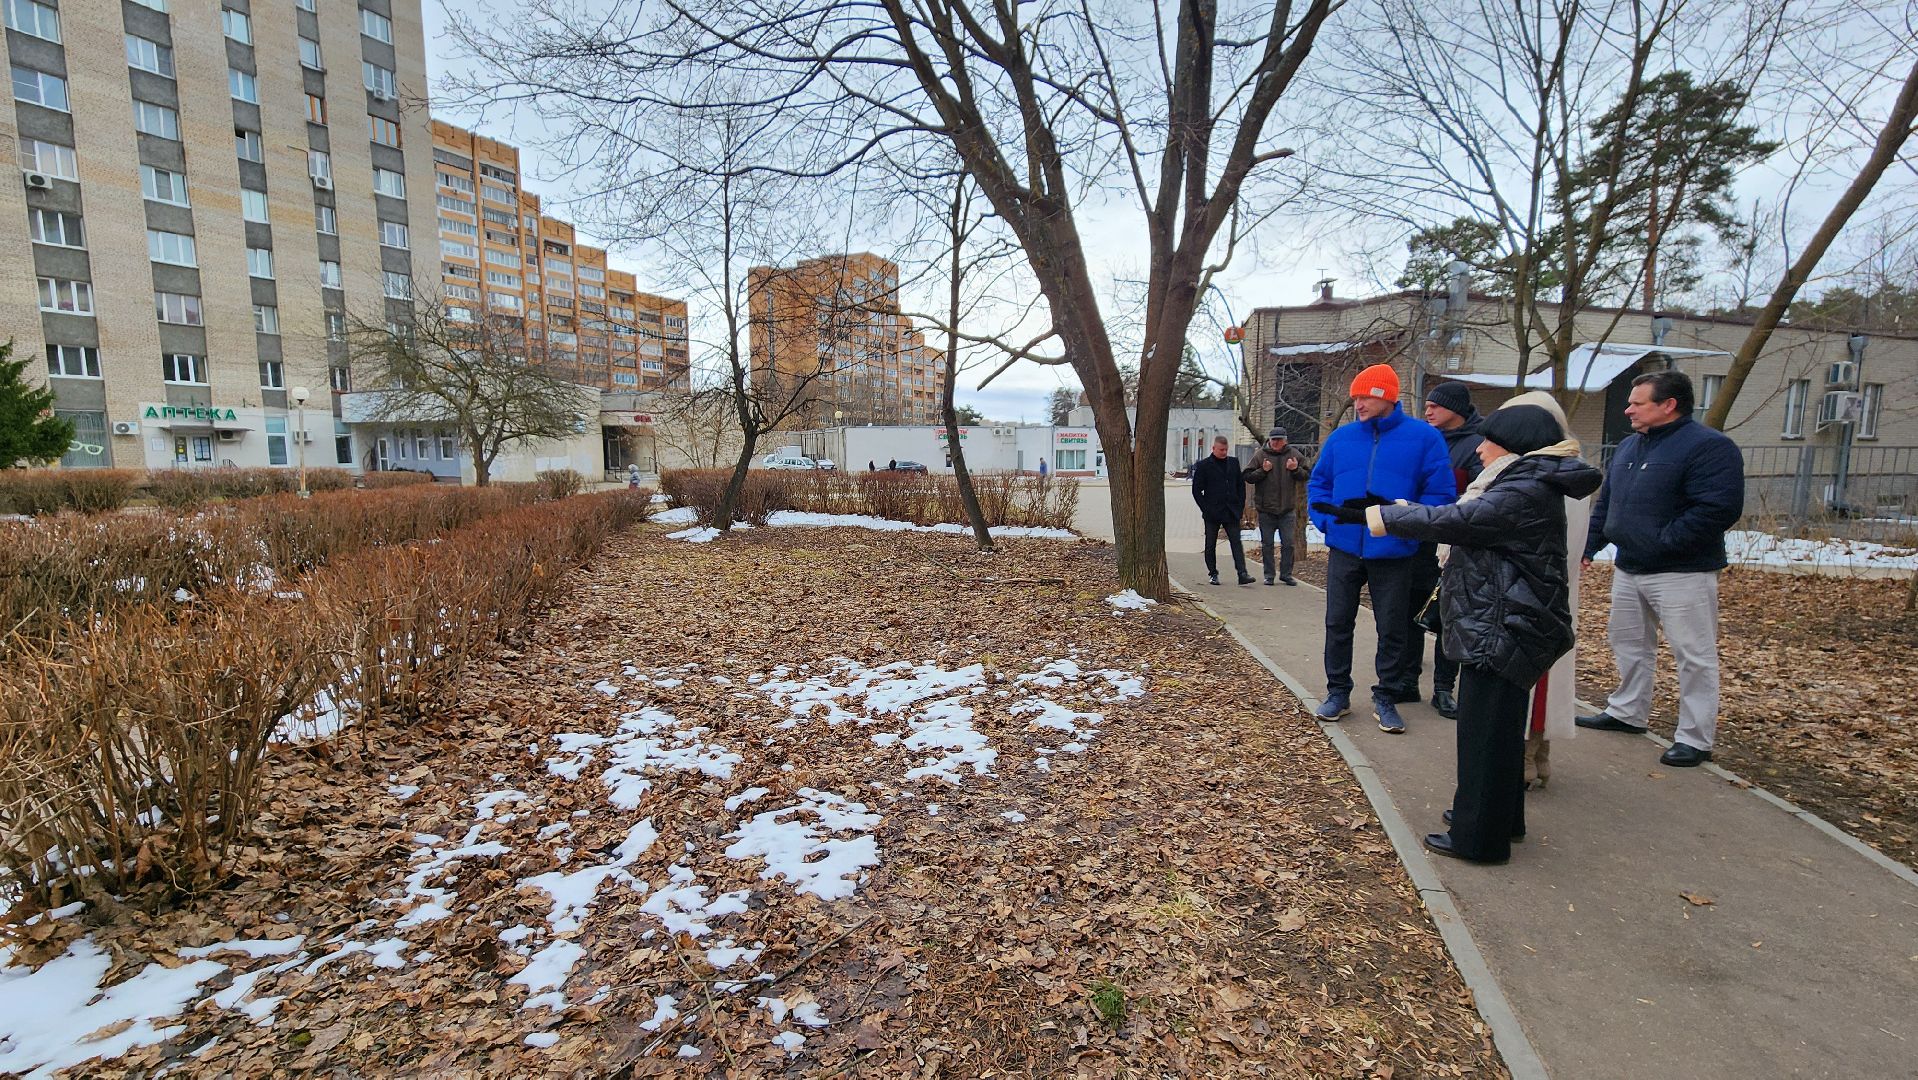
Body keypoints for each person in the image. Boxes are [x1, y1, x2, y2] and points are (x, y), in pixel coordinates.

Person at [1316, 404, 1602, 863]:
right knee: (1501, 733)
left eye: (1488, 441)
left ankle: (1478, 840)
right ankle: (1501, 819)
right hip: (1513, 621)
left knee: (1484, 735)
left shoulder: (1521, 488)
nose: (1480, 449)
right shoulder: (1528, 482)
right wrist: (1400, 509)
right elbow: (1460, 516)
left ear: (1513, 444)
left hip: (1503, 626)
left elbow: (1457, 522)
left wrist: (1384, 515)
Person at [1578, 370, 1745, 767]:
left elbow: (1717, 509)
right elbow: (1608, 503)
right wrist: (1590, 545)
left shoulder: (1709, 447)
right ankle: (1627, 712)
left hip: (1682, 571)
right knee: (1629, 645)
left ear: (1668, 405)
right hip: (1629, 567)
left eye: (1638, 403)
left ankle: (1695, 737)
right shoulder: (1630, 446)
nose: (1628, 409)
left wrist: (1663, 543)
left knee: (1694, 654)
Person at [1306, 364, 1456, 733]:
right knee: (1337, 622)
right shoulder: (1341, 440)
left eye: (1365, 396)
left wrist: (1407, 530)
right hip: (1344, 548)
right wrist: (1328, 522)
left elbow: (1440, 495)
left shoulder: (1424, 439)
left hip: (1394, 552)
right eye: (1355, 396)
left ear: (1386, 396)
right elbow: (1318, 484)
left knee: (1393, 627)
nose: (1357, 403)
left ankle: (1386, 696)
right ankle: (1338, 693)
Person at [1410, 382, 1487, 718]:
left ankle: (1444, 688)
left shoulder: (1477, 445)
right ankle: (1406, 679)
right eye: (1426, 405)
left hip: (1452, 545)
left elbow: (1478, 494)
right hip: (1416, 540)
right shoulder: (1423, 439)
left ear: (1456, 408)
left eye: (1435, 406)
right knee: (1410, 611)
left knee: (1447, 618)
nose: (1428, 411)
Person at [1241, 427, 1310, 586]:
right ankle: (1269, 575)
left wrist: (1295, 470)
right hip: (1266, 509)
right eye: (1274, 440)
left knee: (1288, 544)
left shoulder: (1294, 455)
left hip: (1287, 509)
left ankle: (1286, 574)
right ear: (1269, 440)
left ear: (1285, 440)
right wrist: (1263, 471)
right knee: (1267, 545)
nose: (1276, 442)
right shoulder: (1261, 455)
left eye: (1279, 439)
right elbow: (1247, 476)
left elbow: (1307, 474)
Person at [1192, 435, 1255, 586]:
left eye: (1226, 450)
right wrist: (1206, 508)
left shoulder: (1233, 463)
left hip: (1231, 511)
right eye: (1221, 450)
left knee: (1236, 543)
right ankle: (1213, 573)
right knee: (1210, 544)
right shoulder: (1204, 465)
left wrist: (1240, 507)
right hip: (1212, 512)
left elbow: (1240, 486)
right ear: (1213, 449)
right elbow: (1196, 490)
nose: (1224, 452)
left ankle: (1242, 573)